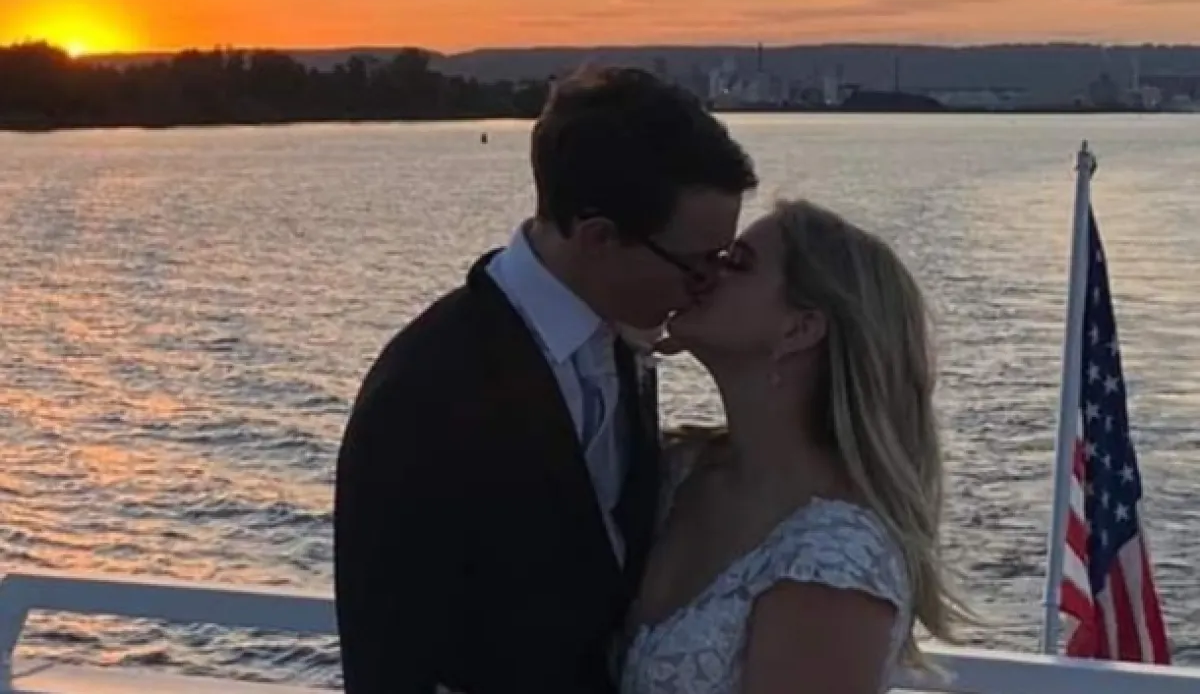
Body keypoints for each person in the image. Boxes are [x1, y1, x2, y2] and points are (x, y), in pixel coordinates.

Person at [334, 67, 759, 694]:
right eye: (697, 266)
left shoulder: (626, 343)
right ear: (598, 238)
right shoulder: (423, 392)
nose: (709, 285)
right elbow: (389, 660)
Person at [620, 199, 967, 694]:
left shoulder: (832, 561)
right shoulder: (678, 469)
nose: (703, 271)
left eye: (736, 263)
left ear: (800, 328)